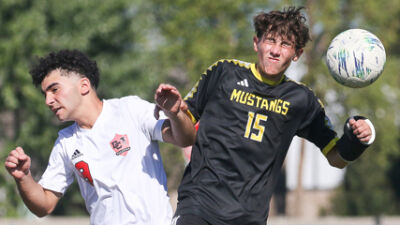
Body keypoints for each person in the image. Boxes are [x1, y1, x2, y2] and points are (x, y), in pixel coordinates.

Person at [170, 6, 376, 225]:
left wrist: (358, 138)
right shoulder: (223, 73)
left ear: (297, 54)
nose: (275, 51)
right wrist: (174, 113)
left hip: (248, 218)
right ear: (256, 43)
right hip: (198, 205)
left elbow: (336, 157)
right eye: (270, 40)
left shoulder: (302, 100)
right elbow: (184, 128)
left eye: (285, 44)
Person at [4, 49, 196, 225]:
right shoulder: (65, 143)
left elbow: (185, 138)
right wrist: (23, 177)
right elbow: (44, 205)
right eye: (45, 94)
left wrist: (175, 114)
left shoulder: (130, 109)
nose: (48, 101)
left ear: (84, 85)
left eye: (54, 90)